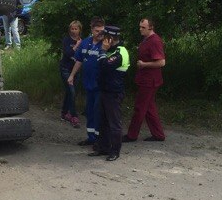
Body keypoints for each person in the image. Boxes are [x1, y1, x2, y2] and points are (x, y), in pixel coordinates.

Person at [124, 16, 166, 142]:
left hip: (150, 81)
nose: (140, 29)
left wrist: (144, 64)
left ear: (151, 27)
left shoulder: (155, 41)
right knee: (149, 108)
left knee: (140, 107)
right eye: (140, 27)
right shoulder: (146, 39)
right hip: (145, 79)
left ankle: (132, 135)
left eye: (143, 27)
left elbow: (162, 62)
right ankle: (158, 135)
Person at [91, 25, 129, 161]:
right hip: (104, 90)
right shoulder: (110, 50)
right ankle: (103, 147)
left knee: (114, 123)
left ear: (111, 38)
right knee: (103, 122)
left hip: (114, 92)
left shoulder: (120, 53)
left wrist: (102, 51)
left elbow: (104, 66)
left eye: (105, 37)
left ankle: (115, 151)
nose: (103, 39)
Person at [67, 17, 105, 146]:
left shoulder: (105, 45)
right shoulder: (85, 43)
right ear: (92, 30)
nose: (100, 33)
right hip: (88, 84)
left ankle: (100, 139)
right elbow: (79, 60)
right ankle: (91, 137)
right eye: (97, 30)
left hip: (100, 85)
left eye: (102, 30)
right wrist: (72, 75)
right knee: (89, 111)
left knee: (98, 111)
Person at [59, 20, 82, 127]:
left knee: (70, 92)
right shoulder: (66, 40)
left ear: (79, 30)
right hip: (66, 69)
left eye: (75, 29)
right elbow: (68, 53)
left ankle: (64, 112)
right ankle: (74, 116)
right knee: (72, 91)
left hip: (76, 70)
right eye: (72, 29)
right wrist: (76, 45)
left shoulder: (83, 40)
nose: (73, 31)